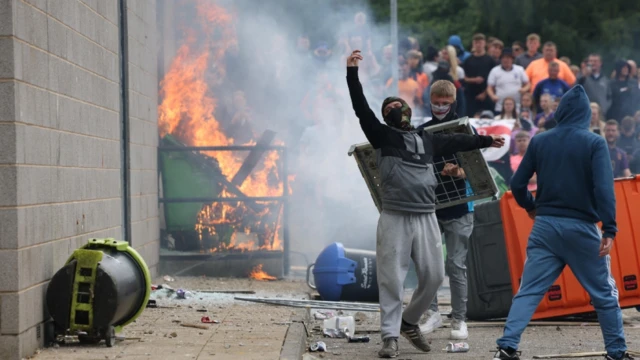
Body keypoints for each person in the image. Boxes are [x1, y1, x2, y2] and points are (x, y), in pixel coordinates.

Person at [345, 50, 504, 358]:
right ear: (385, 117)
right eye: (389, 108)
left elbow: (458, 141)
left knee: (433, 276)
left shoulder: (425, 139)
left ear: (406, 109)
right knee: (392, 277)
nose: (395, 109)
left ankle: (408, 321)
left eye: (398, 105)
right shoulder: (382, 136)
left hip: (426, 216)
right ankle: (389, 337)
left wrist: (485, 141)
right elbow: (360, 108)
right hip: (395, 216)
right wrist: (352, 74)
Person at [493, 85, 633, 360]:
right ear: (585, 114)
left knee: (529, 291)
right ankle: (616, 353)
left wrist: (530, 207)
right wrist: (610, 228)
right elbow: (604, 188)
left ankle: (506, 348)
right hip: (582, 228)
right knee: (604, 293)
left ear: (560, 112)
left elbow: (518, 183)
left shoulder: (540, 140)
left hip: (545, 227)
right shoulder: (594, 142)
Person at [416, 79, 484, 342]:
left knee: (456, 264)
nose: (441, 107)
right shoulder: (422, 132)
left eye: (445, 103)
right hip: (430, 208)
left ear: (453, 102)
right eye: (436, 102)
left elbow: (478, 173)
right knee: (428, 265)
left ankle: (459, 319)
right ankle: (430, 313)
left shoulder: (465, 130)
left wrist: (459, 172)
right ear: (429, 100)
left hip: (459, 207)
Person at [464, 33, 498, 117]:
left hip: (487, 95)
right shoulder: (468, 60)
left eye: (480, 42)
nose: (478, 45)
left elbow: (495, 79)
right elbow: (463, 78)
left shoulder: (490, 60)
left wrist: (485, 93)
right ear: (473, 44)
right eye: (476, 42)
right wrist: (474, 80)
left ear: (484, 44)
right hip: (471, 96)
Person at [486, 48, 530, 114]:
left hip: (517, 106)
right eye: (504, 58)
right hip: (500, 106)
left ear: (512, 59)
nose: (506, 60)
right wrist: (492, 96)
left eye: (509, 58)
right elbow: (489, 88)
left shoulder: (519, 69)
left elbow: (528, 84)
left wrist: (524, 89)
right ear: (501, 59)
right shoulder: (495, 71)